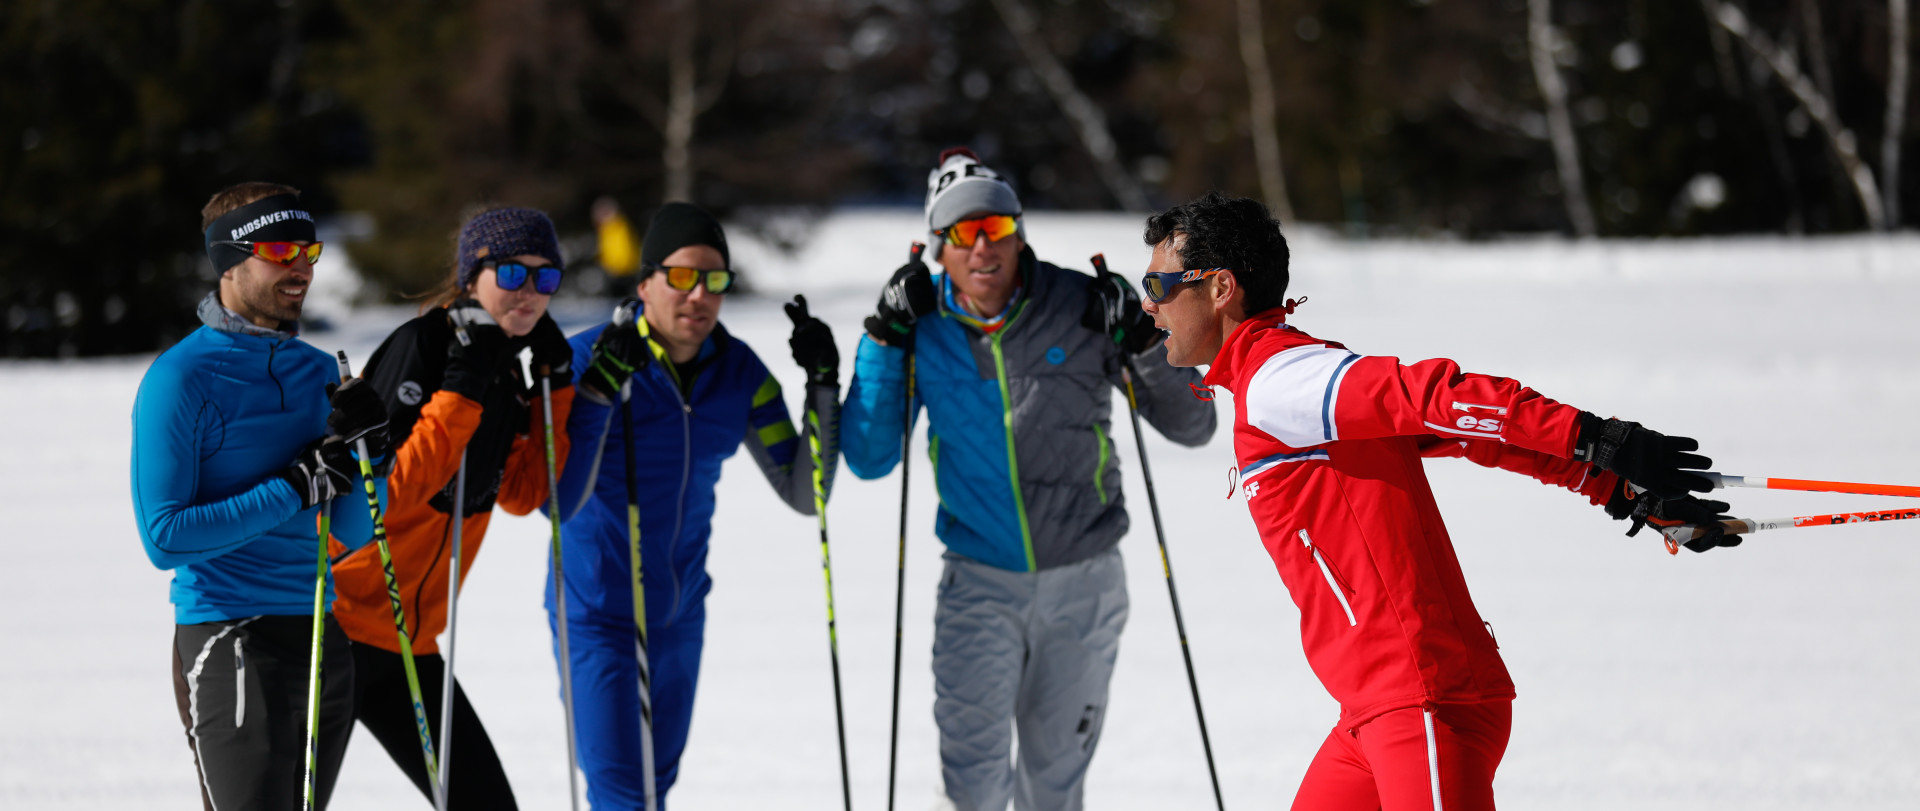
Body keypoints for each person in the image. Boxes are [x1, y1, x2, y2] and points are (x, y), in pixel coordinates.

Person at [1137, 192, 1737, 811]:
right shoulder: (1279, 378)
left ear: (1220, 288)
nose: (1149, 303)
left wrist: (1597, 439)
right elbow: (1460, 432)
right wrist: (1615, 487)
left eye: (1158, 282)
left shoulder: (1284, 380)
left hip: (1419, 701)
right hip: (1372, 712)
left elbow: (1434, 396)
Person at [841, 148, 1219, 811]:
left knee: (1053, 786)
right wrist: (881, 336)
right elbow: (869, 457)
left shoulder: (1081, 304)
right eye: (962, 233)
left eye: (996, 229)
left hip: (1085, 580)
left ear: (1018, 233)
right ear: (939, 246)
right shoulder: (919, 324)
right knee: (974, 786)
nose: (982, 247)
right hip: (977, 583)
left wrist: (1141, 338)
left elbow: (1193, 424)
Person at [553, 202, 843, 808]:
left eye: (715, 280)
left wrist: (822, 387)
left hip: (680, 612)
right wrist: (602, 392)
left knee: (657, 787)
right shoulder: (587, 362)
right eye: (682, 277)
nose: (699, 296)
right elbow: (551, 500)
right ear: (645, 283)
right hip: (598, 612)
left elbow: (805, 491)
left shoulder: (739, 375)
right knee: (621, 793)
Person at [134, 182, 390, 809]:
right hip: (230, 637)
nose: (300, 266)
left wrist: (372, 453)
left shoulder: (321, 372)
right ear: (228, 259)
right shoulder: (181, 377)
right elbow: (164, 538)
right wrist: (291, 490)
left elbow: (354, 531)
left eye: (309, 250)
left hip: (322, 636)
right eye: (280, 249)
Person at [328, 207, 577, 809]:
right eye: (514, 274)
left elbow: (522, 495)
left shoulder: (501, 370)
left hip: (410, 643)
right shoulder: (421, 346)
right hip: (335, 631)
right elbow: (381, 498)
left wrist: (555, 386)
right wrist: (460, 391)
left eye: (547, 279)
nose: (531, 294)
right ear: (472, 276)